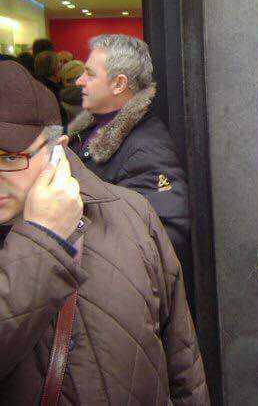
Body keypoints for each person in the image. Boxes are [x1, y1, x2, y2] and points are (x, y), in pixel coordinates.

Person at [0, 60, 209, 404]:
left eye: (9, 158)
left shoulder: (131, 212)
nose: (81, 81)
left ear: (56, 150)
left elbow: (182, 360)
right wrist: (41, 240)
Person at [68, 34, 193, 305]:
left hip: (109, 302)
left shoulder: (147, 147)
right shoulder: (89, 131)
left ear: (119, 84)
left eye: (90, 74)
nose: (79, 81)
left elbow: (164, 238)